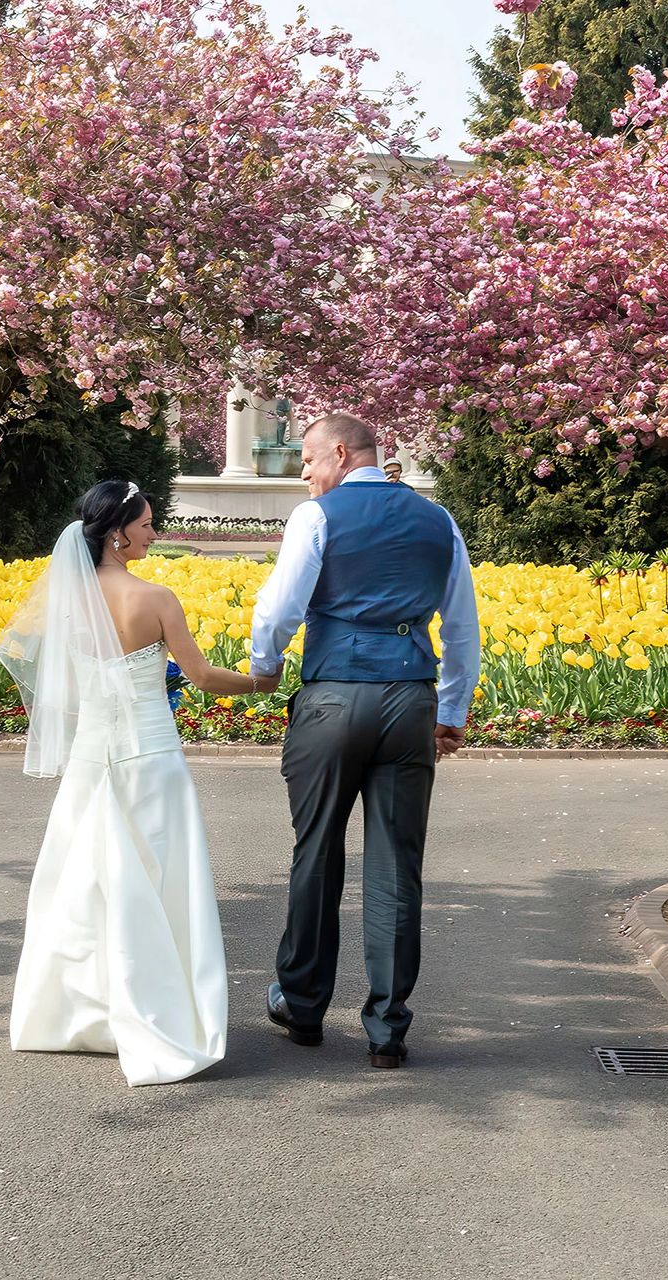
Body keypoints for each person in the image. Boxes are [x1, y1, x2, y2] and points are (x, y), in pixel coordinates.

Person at [0, 480, 278, 1087]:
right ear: (118, 534)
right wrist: (262, 683)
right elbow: (202, 677)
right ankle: (159, 1012)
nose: (155, 534)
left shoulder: (68, 601)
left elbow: (63, 695)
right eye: (147, 525)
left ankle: (80, 1014)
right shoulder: (156, 598)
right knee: (162, 881)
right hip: (150, 758)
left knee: (87, 884)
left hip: (92, 758)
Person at [249, 413, 480, 1069]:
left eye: (308, 460)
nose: (305, 474)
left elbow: (279, 608)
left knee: (316, 852)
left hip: (332, 698)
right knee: (396, 865)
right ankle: (387, 1027)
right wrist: (451, 709)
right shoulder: (439, 521)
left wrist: (265, 665)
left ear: (341, 453)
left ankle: (302, 1006)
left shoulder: (316, 517)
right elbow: (462, 625)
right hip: (409, 698)